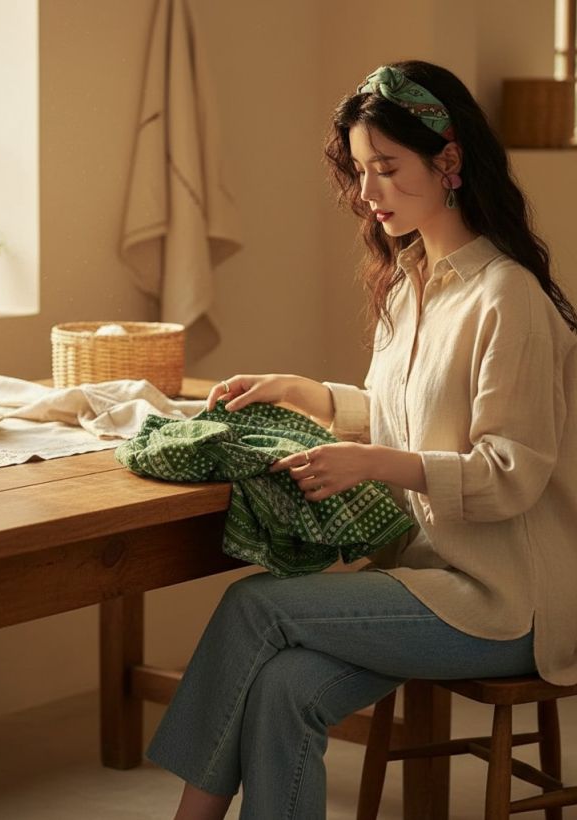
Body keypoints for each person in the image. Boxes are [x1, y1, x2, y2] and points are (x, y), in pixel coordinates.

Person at [144, 60, 577, 819]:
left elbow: (510, 474)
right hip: (427, 579)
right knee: (282, 690)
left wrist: (371, 464)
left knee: (255, 607)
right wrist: (302, 392)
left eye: (385, 168)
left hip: (510, 604)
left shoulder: (508, 297)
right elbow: (397, 413)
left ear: (449, 162)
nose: (367, 192)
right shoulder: (410, 283)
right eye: (359, 169)